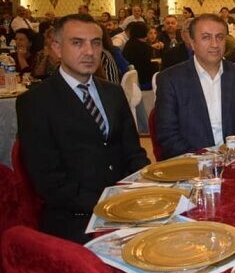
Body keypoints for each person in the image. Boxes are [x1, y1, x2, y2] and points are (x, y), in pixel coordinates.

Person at [16, 14, 149, 243]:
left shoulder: (113, 92)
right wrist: (109, 204)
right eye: (77, 43)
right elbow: (49, 182)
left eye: (96, 43)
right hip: (75, 220)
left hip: (129, 208)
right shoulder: (35, 102)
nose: (89, 51)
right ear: (57, 48)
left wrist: (147, 189)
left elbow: (134, 153)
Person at [155, 14, 235, 158]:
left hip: (234, 159)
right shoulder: (170, 79)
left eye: (220, 37)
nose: (215, 44)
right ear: (192, 42)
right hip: (190, 162)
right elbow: (168, 136)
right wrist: (206, 159)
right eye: (206, 37)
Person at [122, 22, 157, 90]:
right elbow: (147, 67)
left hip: (131, 81)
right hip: (143, 81)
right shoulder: (143, 47)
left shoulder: (128, 43)